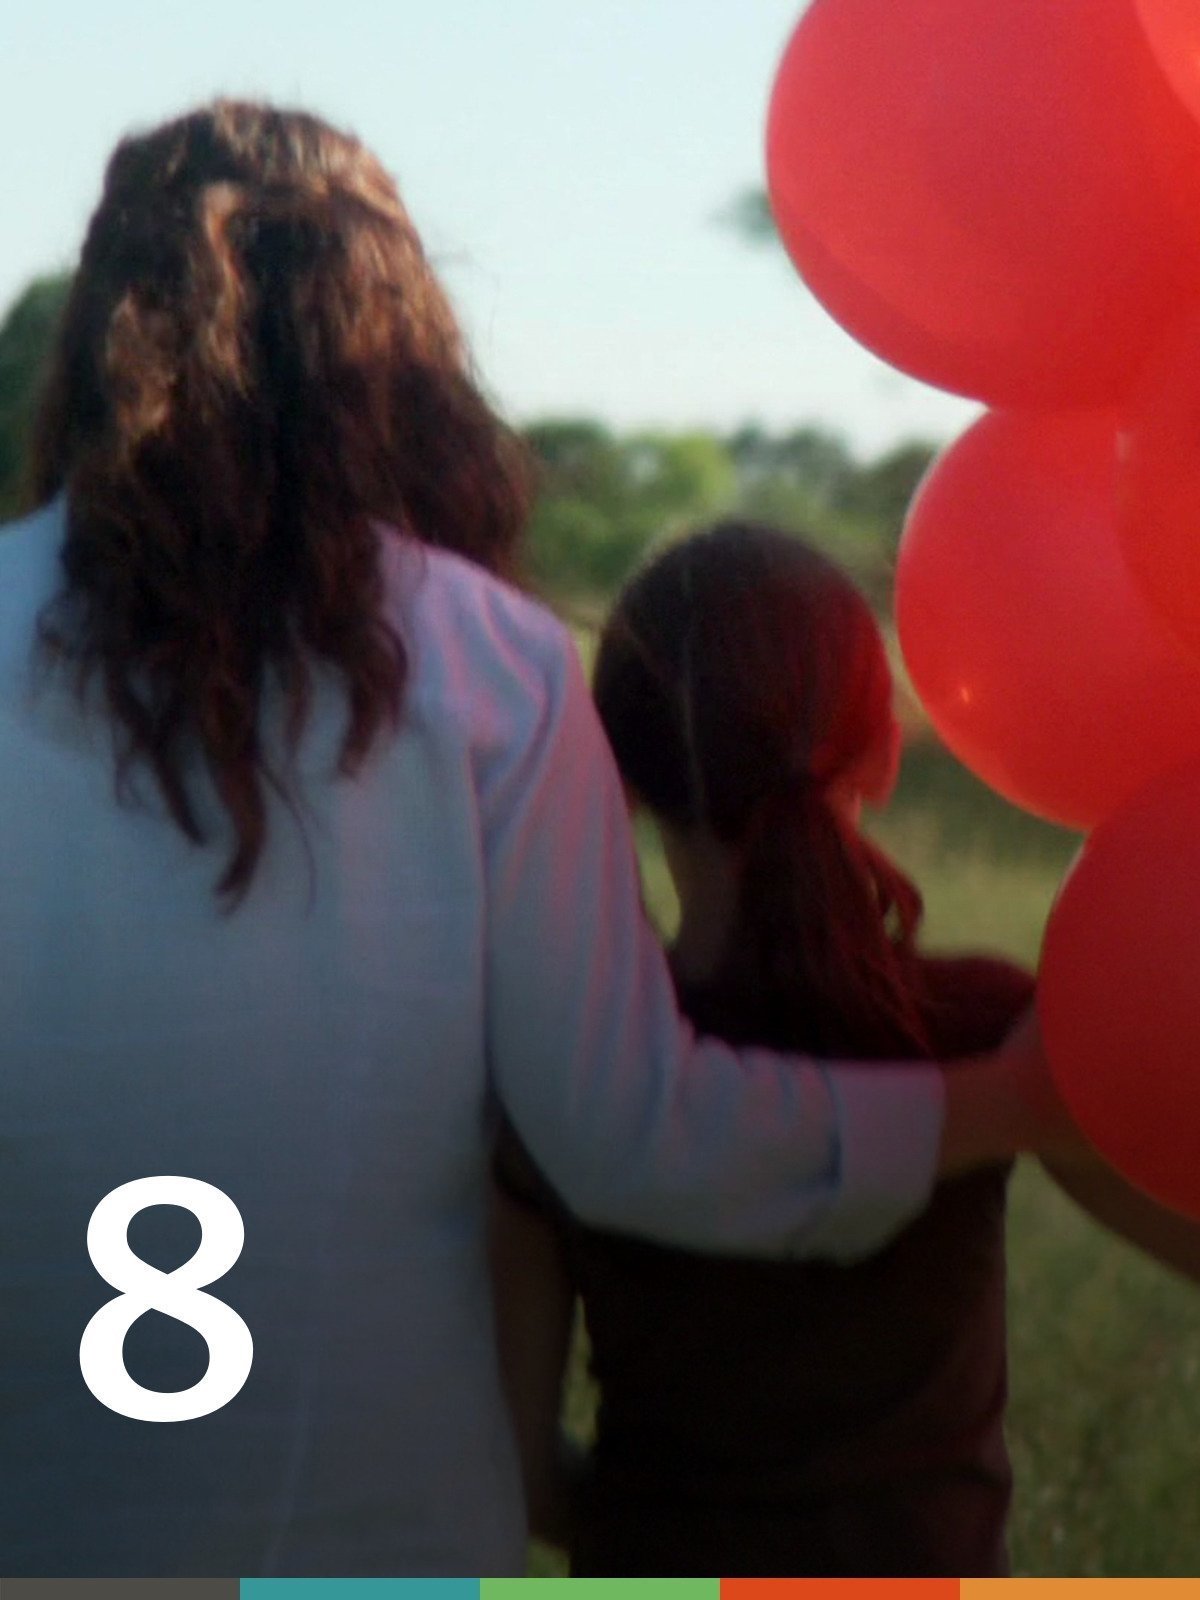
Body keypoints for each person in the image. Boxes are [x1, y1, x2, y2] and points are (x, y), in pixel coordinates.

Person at [0, 103, 1078, 1578]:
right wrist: (999, 1107)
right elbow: (632, 1136)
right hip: (380, 1533)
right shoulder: (490, 664)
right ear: (389, 347)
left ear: (104, 343)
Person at [490, 521, 1200, 1577]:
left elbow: (526, 1476)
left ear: (619, 777)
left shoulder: (555, 1075)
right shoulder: (976, 1030)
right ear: (882, 750)